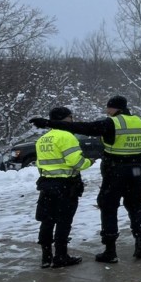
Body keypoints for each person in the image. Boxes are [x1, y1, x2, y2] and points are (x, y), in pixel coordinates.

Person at [32, 95, 141, 263]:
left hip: (115, 172)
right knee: (135, 206)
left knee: (109, 208)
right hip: (135, 172)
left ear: (114, 108)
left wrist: (48, 123)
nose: (107, 111)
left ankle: (110, 251)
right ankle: (140, 241)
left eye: (108, 108)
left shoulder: (112, 122)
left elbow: (84, 128)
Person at [34, 106, 94, 269]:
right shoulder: (67, 136)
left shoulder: (44, 138)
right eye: (70, 117)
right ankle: (61, 256)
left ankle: (46, 256)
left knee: (47, 220)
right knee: (63, 221)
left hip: (47, 184)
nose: (72, 120)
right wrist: (89, 161)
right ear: (64, 119)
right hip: (65, 186)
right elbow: (77, 162)